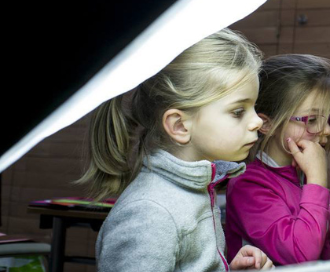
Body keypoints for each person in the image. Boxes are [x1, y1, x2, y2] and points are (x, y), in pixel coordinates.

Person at [78, 29, 274, 271]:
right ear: (180, 125)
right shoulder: (149, 213)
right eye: (238, 111)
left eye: (253, 107)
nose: (257, 122)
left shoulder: (195, 190)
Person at [225, 54, 330, 265]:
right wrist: (317, 179)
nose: (327, 130)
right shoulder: (249, 186)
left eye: (329, 118)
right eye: (311, 120)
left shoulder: (301, 178)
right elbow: (301, 255)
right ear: (267, 124)